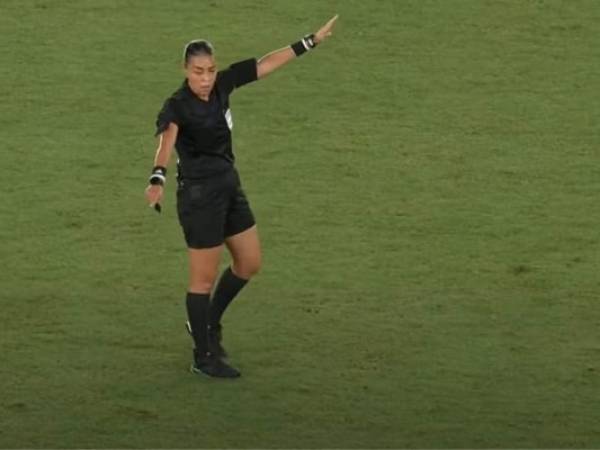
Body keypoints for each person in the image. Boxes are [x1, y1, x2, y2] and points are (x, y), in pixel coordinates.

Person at [144, 15, 339, 379]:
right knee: (201, 280)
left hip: (229, 185)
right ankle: (203, 356)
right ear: (185, 69)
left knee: (249, 263)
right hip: (199, 197)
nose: (205, 78)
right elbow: (166, 141)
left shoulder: (222, 85)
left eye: (210, 70)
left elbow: (266, 63)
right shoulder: (177, 106)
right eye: (198, 71)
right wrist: (157, 178)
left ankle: (207, 324)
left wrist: (310, 41)